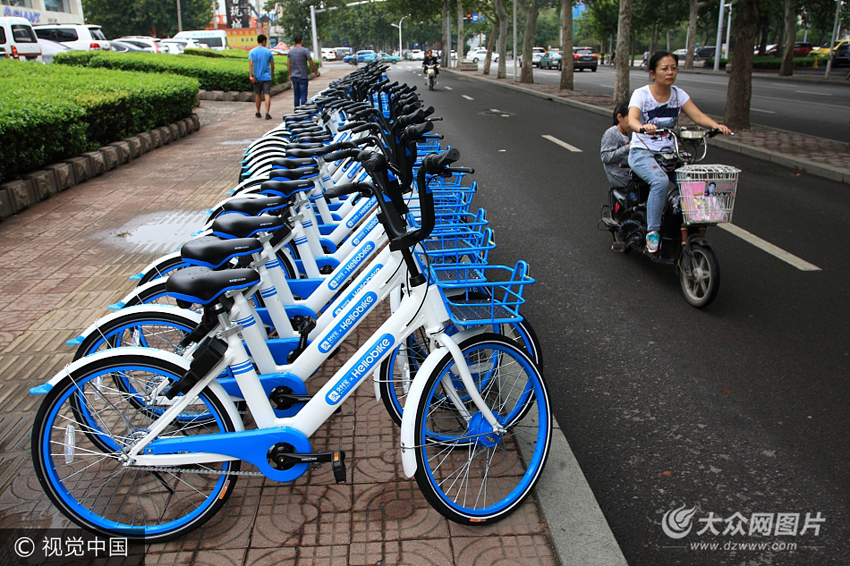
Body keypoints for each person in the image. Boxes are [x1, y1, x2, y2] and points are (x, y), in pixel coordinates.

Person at [627, 51, 731, 254]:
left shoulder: (678, 95)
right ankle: (653, 231)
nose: (670, 72)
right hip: (642, 152)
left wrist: (716, 125)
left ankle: (693, 227)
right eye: (664, 68)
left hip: (669, 155)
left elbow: (697, 116)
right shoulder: (641, 94)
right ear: (652, 73)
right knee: (660, 181)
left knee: (693, 183)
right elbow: (632, 119)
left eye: (673, 68)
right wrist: (641, 127)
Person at [600, 100, 632, 190]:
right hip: (621, 177)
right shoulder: (612, 133)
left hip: (632, 173)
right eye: (631, 119)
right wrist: (627, 148)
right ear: (619, 117)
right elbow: (605, 156)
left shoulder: (630, 133)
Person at [249, 34, 275, 120]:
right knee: (267, 94)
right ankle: (267, 113)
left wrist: (250, 75)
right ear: (263, 41)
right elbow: (272, 65)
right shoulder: (268, 52)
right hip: (267, 77)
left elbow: (251, 64)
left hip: (257, 77)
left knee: (258, 94)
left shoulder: (252, 52)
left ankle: (258, 112)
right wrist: (272, 74)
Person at [288, 35, 311, 110]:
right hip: (303, 76)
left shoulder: (290, 52)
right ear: (301, 41)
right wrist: (315, 71)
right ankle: (303, 111)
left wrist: (290, 74)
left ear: (294, 42)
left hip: (294, 76)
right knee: (303, 95)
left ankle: (296, 110)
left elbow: (288, 64)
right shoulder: (305, 51)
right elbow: (310, 61)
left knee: (296, 95)